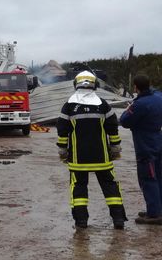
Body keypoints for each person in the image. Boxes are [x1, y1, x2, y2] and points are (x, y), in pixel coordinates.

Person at [56, 71, 127, 229]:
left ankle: (81, 222)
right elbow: (112, 128)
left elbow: (62, 130)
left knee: (79, 188)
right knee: (110, 186)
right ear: (95, 85)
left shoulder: (69, 106)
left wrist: (62, 151)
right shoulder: (103, 104)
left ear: (76, 84)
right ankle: (118, 220)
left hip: (78, 159)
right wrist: (115, 148)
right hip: (102, 157)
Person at [119, 75, 162, 225]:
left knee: (148, 178)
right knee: (158, 176)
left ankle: (154, 214)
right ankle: (157, 208)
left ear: (136, 87)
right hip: (158, 140)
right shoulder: (158, 97)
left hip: (145, 145)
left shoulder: (139, 104)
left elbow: (124, 121)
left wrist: (129, 107)